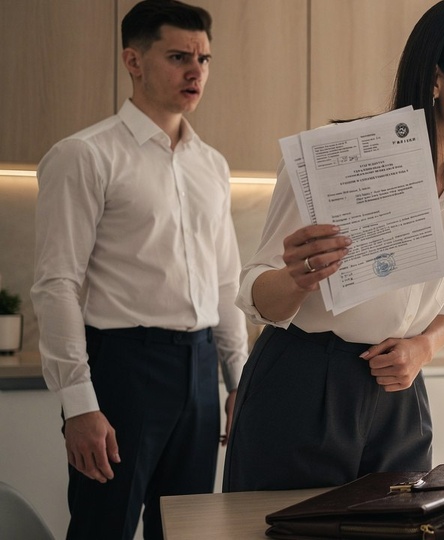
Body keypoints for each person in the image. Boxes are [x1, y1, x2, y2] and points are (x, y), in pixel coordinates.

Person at [222, 0, 444, 492]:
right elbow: (254, 294)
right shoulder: (332, 158)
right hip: (302, 382)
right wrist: (297, 278)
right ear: (434, 78)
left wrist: (423, 347)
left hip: (399, 395)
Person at [31, 1, 248, 538]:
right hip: (122, 370)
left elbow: (225, 283)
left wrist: (238, 382)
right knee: (104, 527)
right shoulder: (84, 155)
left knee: (188, 529)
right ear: (133, 60)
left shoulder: (213, 166)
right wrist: (78, 404)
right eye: (178, 57)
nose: (196, 71)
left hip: (200, 372)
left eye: (204, 58)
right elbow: (56, 283)